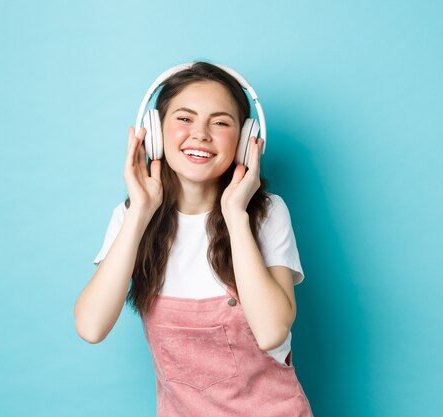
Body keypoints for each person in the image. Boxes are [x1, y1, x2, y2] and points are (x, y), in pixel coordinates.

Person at [74, 62, 313, 416]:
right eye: (184, 118)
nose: (200, 134)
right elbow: (91, 327)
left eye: (220, 122)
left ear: (247, 141)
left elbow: (271, 332)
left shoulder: (266, 214)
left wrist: (235, 214)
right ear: (154, 132)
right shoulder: (130, 217)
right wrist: (140, 211)